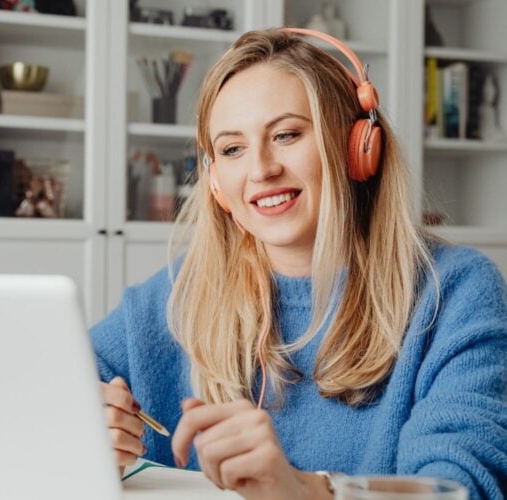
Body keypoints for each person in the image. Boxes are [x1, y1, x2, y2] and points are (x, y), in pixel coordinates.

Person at [91, 28, 507, 500]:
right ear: (214, 183)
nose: (260, 169)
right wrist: (83, 425)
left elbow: (460, 488)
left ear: (359, 148)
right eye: (232, 149)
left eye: (286, 134)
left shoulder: (453, 291)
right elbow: (42, 384)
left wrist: (307, 491)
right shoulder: (180, 290)